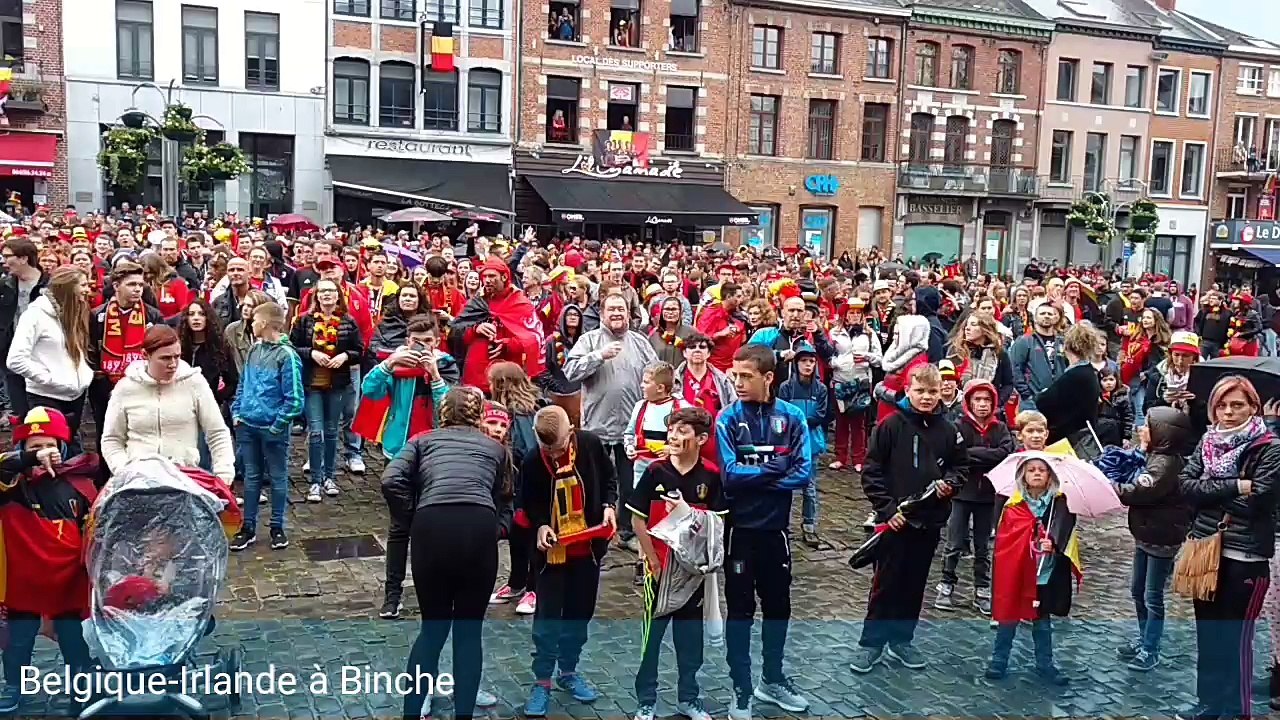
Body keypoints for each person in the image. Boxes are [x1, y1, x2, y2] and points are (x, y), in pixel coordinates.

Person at [381, 387, 512, 720]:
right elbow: (507, 497)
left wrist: (413, 519)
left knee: (433, 628)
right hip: (478, 527)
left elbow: (391, 479)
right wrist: (496, 529)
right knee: (468, 632)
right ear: (479, 415)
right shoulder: (495, 449)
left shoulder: (421, 441)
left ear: (442, 414)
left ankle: (412, 712)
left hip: (431, 526)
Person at [716, 344, 812, 719]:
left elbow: (803, 473)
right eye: (734, 375)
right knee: (739, 611)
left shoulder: (792, 418)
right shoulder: (727, 418)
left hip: (776, 533)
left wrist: (757, 475)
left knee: (778, 608)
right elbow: (730, 476)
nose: (737, 382)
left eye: (746, 376)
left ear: (769, 377)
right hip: (740, 533)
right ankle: (741, 689)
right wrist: (777, 468)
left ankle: (771, 680)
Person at [850, 364, 966, 675]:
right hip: (894, 521)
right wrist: (888, 510)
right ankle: (871, 643)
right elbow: (872, 472)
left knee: (914, 584)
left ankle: (902, 639)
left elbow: (960, 467)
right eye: (920, 391)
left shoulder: (948, 430)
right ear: (908, 391)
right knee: (885, 584)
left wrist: (949, 484)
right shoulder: (890, 426)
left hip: (929, 521)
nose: (927, 397)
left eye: (932, 391)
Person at [1177, 375, 1280, 720]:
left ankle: (1237, 711)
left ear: (1253, 407)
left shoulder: (1270, 447)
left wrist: (1212, 488)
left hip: (1246, 557)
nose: (1229, 412)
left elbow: (1260, 502)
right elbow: (1186, 487)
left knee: (1236, 641)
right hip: (1207, 551)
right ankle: (1209, 704)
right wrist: (1237, 485)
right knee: (1208, 636)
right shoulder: (1207, 441)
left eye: (1237, 404)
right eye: (1221, 405)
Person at [520, 405, 618, 717]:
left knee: (579, 615)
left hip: (587, 551)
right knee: (547, 621)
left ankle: (569, 672)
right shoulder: (533, 459)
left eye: (558, 447)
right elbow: (527, 501)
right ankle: (542, 681)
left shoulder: (589, 444)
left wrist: (608, 505)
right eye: (547, 447)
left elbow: (610, 478)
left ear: (571, 432)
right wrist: (541, 525)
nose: (553, 452)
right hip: (551, 556)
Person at [627, 406, 723, 720]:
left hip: (692, 574)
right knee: (650, 641)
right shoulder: (655, 471)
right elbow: (637, 518)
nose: (673, 436)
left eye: (683, 431)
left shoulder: (710, 476)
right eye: (672, 430)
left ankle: (688, 699)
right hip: (659, 572)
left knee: (690, 641)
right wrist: (652, 559)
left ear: (701, 438)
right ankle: (646, 701)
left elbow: (718, 523)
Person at [0, 407, 97, 714]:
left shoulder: (79, 483)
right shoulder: (11, 483)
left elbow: (94, 529)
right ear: (22, 449)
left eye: (50, 445)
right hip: (24, 579)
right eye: (34, 446)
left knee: (74, 641)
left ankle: (81, 689)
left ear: (63, 446)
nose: (44, 452)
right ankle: (14, 685)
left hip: (69, 578)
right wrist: (29, 462)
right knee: (17, 642)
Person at [564, 292, 658, 552]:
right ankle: (593, 526)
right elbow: (570, 372)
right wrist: (598, 356)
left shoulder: (640, 343)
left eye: (621, 309)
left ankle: (627, 529)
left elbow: (656, 374)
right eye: (611, 309)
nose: (617, 313)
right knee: (594, 479)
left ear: (629, 313)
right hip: (597, 426)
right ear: (602, 313)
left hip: (631, 428)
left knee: (630, 483)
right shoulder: (590, 340)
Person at [1113, 406, 1195, 672]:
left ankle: (1151, 648)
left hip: (1161, 537)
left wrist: (1110, 486)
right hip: (1146, 534)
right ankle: (1143, 637)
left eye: (1146, 426)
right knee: (1138, 590)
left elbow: (1139, 491)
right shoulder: (1155, 456)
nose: (1141, 429)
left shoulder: (1164, 464)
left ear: (1163, 433)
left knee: (1152, 595)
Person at [986, 455, 1080, 685]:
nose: (1037, 473)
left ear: (1050, 476)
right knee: (1008, 616)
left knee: (1042, 619)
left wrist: (1054, 543)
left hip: (1043, 572)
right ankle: (999, 660)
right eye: (1031, 470)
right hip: (1018, 569)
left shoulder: (1060, 504)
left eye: (1042, 470)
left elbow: (1064, 530)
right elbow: (1005, 537)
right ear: (1023, 477)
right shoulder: (1013, 505)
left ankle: (1045, 664)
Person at [100, 324, 234, 482]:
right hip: (137, 481)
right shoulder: (125, 388)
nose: (172, 364)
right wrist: (124, 470)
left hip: (185, 478)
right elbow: (111, 439)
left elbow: (217, 432)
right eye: (165, 358)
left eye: (177, 356)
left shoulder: (194, 382)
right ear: (145, 355)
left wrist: (224, 475)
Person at [229, 301, 305, 551]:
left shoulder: (287, 356)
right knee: (251, 477)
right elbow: (244, 383)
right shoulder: (254, 350)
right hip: (248, 425)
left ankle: (277, 526)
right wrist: (237, 411)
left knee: (277, 477)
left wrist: (276, 426)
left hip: (272, 428)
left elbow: (295, 400)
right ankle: (248, 526)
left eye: (254, 320)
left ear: (264, 323)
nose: (251, 324)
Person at [936, 379, 1013, 615]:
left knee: (983, 546)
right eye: (977, 400)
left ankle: (981, 588)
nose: (982, 405)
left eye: (987, 400)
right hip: (961, 493)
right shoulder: (959, 426)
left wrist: (974, 455)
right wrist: (985, 456)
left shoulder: (999, 428)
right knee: (954, 542)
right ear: (969, 402)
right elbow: (956, 454)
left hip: (988, 495)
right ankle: (946, 584)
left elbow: (1004, 453)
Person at [88, 260, 164, 479]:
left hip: (140, 384)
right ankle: (106, 479)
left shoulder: (151, 315)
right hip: (104, 385)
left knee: (138, 432)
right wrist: (100, 377)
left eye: (140, 285)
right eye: (131, 284)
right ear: (116, 286)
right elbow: (90, 348)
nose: (137, 289)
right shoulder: (97, 315)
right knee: (107, 432)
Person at [6, 266, 93, 455]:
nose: (88, 290)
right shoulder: (35, 315)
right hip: (46, 396)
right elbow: (15, 359)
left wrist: (85, 375)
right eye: (84, 285)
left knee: (71, 451)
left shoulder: (76, 310)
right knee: (50, 451)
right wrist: (49, 379)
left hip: (75, 395)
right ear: (68, 287)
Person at [291, 279, 363, 503]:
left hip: (338, 383)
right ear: (317, 296)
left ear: (338, 295)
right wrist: (311, 353)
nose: (327, 295)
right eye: (323, 292)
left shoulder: (348, 321)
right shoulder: (304, 321)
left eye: (331, 291)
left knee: (332, 431)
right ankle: (315, 480)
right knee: (315, 431)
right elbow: (293, 346)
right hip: (313, 383)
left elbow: (359, 349)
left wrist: (345, 356)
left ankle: (330, 477)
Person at [487, 361, 546, 616]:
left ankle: (534, 588)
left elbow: (525, 451)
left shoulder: (523, 413)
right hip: (514, 488)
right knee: (516, 537)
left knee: (531, 538)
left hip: (528, 487)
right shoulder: (519, 409)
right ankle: (516, 583)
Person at [451, 256, 546, 393]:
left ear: (504, 277)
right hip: (475, 378)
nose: (487, 280)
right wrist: (476, 329)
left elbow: (533, 339)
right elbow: (456, 331)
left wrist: (507, 345)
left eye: (492, 276)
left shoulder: (520, 303)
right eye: (484, 276)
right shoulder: (477, 302)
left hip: (506, 380)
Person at [775, 343, 829, 549]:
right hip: (789, 441)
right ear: (796, 363)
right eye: (804, 361)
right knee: (785, 485)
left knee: (810, 486)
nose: (808, 365)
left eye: (811, 361)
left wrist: (799, 422)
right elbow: (781, 413)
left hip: (811, 442)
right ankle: (782, 524)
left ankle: (809, 525)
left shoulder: (821, 389)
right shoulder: (786, 387)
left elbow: (820, 415)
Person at [179, 298, 239, 471]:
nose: (196, 318)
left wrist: (215, 399)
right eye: (191, 314)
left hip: (207, 409)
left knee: (204, 456)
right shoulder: (180, 347)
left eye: (201, 314)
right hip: (181, 408)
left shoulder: (219, 347)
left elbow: (232, 381)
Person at [0, 236, 48, 420]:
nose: (4, 261)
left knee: (43, 414)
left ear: (23, 258)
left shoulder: (49, 284)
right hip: (13, 355)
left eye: (7, 256)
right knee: (21, 413)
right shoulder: (5, 285)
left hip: (42, 356)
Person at [1036, 324, 1103, 446]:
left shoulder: (1075, 375)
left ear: (1067, 347)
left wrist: (1043, 393)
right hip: (1082, 437)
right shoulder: (1089, 372)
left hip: (1069, 439)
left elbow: (1043, 402)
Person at [1009, 301, 1066, 413]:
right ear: (1035, 318)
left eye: (1050, 314)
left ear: (1056, 318)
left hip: (1060, 401)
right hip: (1032, 402)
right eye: (1042, 313)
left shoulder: (1063, 342)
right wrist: (1027, 394)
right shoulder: (1024, 341)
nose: (1046, 316)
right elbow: (1015, 369)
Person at [1121, 307, 1171, 428]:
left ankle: (1142, 436)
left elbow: (1163, 362)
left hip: (1151, 380)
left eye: (1148, 317)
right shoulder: (1137, 337)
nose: (1145, 320)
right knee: (1133, 407)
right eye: (1143, 318)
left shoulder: (1162, 340)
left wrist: (1148, 373)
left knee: (1141, 409)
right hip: (1134, 376)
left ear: (1156, 320)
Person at [694, 282, 746, 372]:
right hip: (715, 366)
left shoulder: (737, 313)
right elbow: (699, 339)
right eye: (738, 296)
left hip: (733, 364)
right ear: (729, 297)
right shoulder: (711, 313)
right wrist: (720, 334)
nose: (741, 299)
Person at [1096, 363, 1134, 448]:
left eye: (1111, 379)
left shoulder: (1122, 396)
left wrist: (1126, 437)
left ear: (1116, 380)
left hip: (1118, 433)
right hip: (1102, 433)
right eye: (1105, 380)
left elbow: (1128, 417)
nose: (1108, 383)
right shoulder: (1097, 396)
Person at [649, 296, 693, 366]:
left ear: (681, 312)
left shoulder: (691, 333)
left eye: (674, 309)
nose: (670, 312)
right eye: (667, 309)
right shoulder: (654, 335)